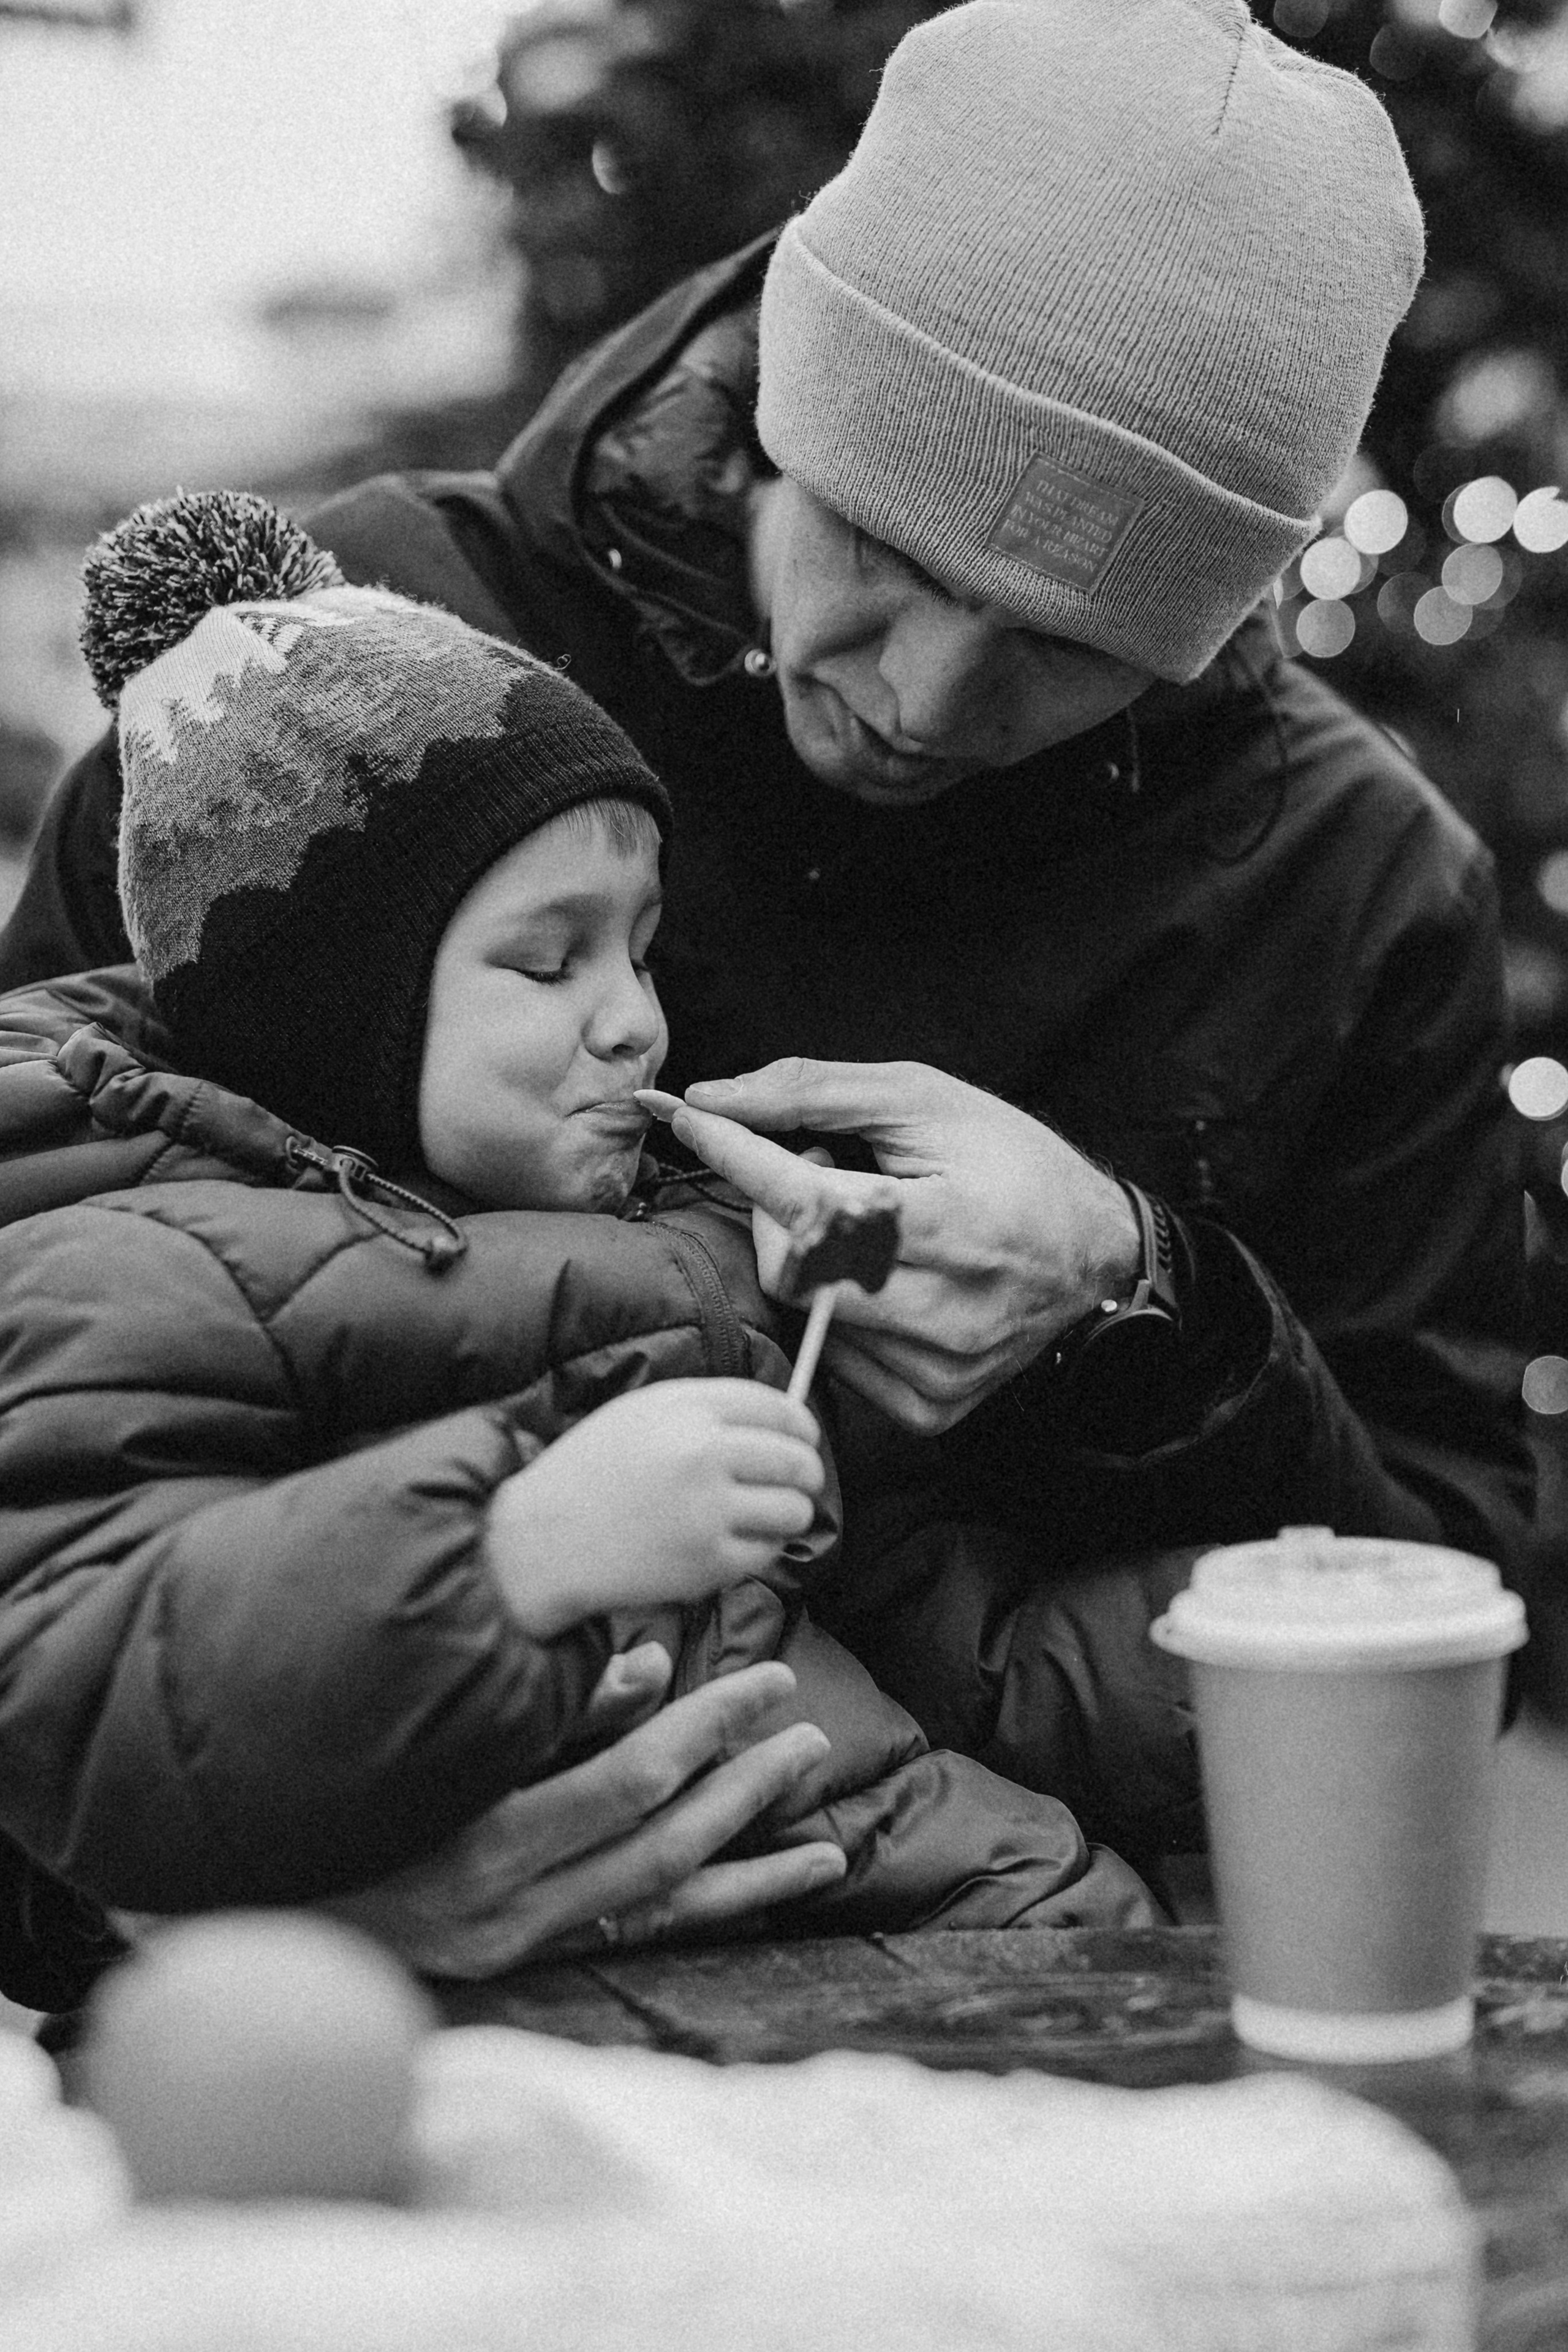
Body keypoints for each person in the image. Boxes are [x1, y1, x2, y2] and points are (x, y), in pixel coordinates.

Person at [0, 2, 1536, 1918]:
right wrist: (231, 1897)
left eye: (1069, 645)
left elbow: (1439, 1607)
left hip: (1035, 1999)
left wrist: (1143, 1299)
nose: (926, 698)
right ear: (780, 415)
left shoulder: (1357, 878)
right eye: (891, 552)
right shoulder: (336, 701)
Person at [0, 490, 1153, 2013]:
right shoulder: (130, 1266)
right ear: (332, 1016)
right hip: (536, 2026)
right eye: (548, 960)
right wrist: (509, 1551)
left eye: (639, 943)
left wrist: (1211, 1645)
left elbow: (939, 1634)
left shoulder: (641, 1245)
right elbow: (90, 1673)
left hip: (902, 1911)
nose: (635, 1017)